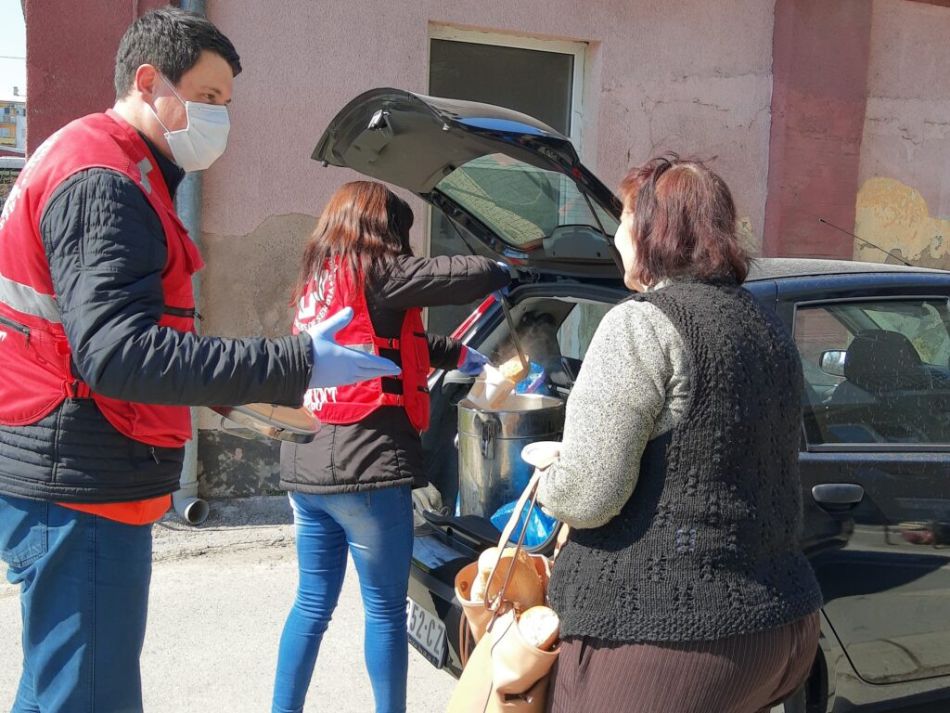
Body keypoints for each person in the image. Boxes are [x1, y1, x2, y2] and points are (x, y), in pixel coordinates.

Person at [0, 10, 396, 713]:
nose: (221, 118)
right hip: (80, 481)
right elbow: (118, 352)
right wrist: (292, 365)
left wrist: (236, 394)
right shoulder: (103, 181)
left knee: (55, 690)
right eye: (208, 97)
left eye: (227, 103)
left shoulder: (113, 165)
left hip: (74, 470)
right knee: (87, 698)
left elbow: (116, 338)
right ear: (148, 82)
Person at [534, 155, 824, 713]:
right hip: (781, 628)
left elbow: (589, 496)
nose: (615, 237)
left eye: (623, 220)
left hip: (671, 641)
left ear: (652, 231)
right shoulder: (765, 325)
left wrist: (550, 476)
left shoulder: (639, 323)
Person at [272, 181, 510, 713]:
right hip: (367, 468)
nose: (404, 247)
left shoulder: (321, 280)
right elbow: (457, 275)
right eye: (401, 234)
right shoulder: (376, 270)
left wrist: (458, 355)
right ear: (382, 230)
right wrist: (505, 267)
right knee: (383, 612)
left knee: (310, 605)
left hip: (306, 465)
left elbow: (386, 342)